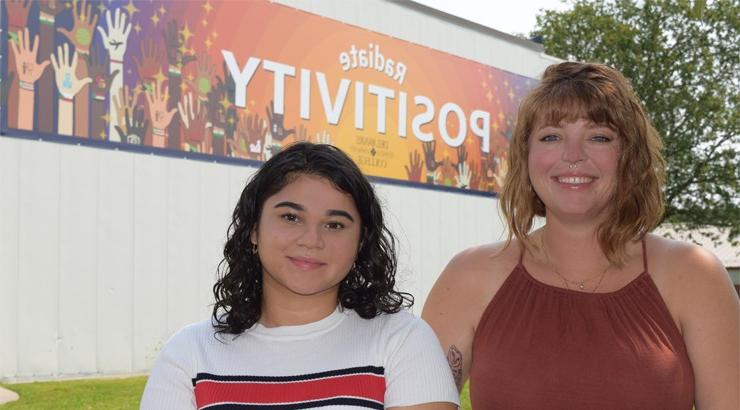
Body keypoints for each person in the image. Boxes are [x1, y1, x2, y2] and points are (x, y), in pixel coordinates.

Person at [423, 62, 739, 409]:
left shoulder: (692, 275)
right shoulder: (470, 276)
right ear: (525, 155)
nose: (573, 156)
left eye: (599, 137)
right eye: (551, 137)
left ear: (629, 157)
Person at [141, 142, 459, 409]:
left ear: (361, 242)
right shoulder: (189, 353)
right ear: (253, 229)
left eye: (334, 224)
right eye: (291, 217)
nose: (311, 240)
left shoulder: (403, 340)